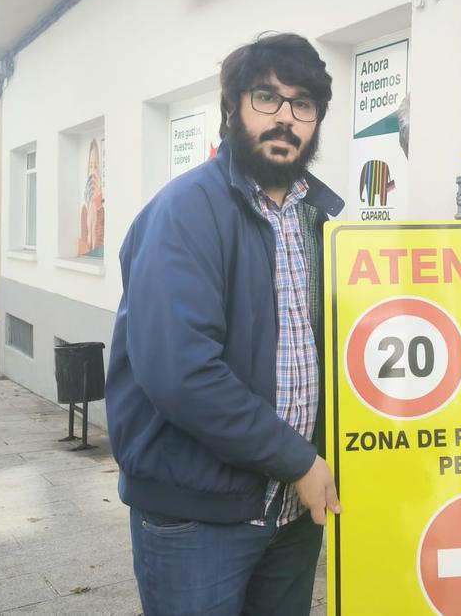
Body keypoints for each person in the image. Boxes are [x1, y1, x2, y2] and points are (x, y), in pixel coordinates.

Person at [105, 32, 344, 615]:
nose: (285, 118)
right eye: (266, 97)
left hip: (293, 512)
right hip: (199, 517)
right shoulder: (184, 212)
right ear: (232, 108)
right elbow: (182, 374)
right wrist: (299, 460)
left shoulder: (323, 219)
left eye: (302, 104)